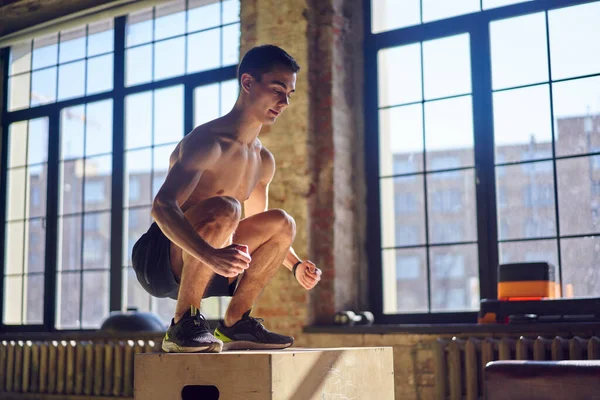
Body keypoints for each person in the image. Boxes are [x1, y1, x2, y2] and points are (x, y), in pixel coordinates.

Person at [131, 45, 322, 353]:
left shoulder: (263, 160)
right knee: (226, 207)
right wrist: (209, 253)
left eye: (289, 93)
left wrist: (295, 265)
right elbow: (161, 206)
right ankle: (182, 323)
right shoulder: (208, 142)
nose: (284, 102)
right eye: (277, 90)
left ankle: (235, 323)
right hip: (159, 259)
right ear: (248, 83)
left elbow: (257, 229)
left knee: (281, 222)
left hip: (212, 259)